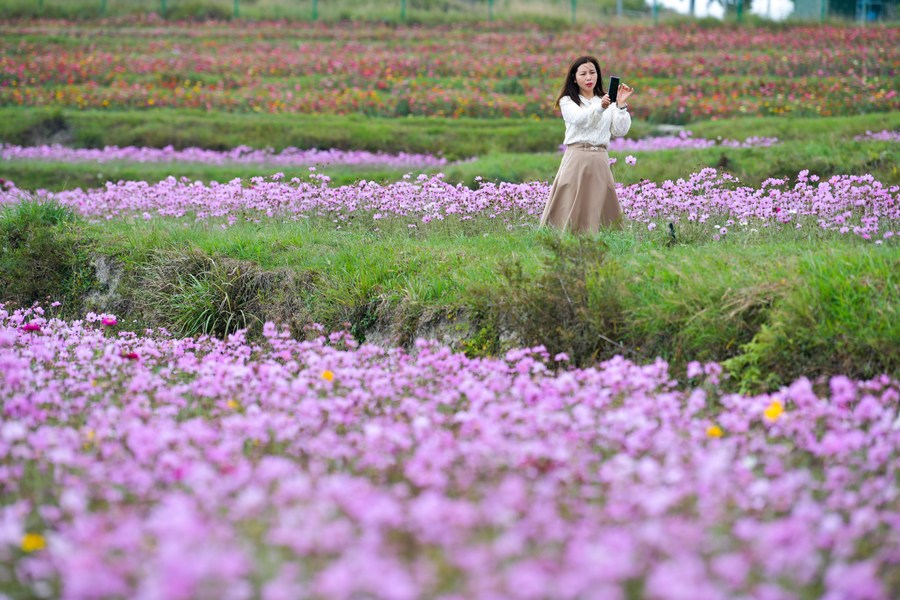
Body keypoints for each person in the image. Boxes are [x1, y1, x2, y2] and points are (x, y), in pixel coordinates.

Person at [540, 56, 634, 234]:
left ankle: (604, 241)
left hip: (599, 157)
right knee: (570, 200)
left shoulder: (607, 100)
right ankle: (560, 241)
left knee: (600, 201)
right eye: (583, 74)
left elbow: (619, 130)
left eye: (592, 73)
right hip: (577, 156)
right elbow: (580, 119)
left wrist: (620, 106)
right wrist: (601, 107)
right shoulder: (567, 101)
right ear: (574, 78)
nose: (589, 78)